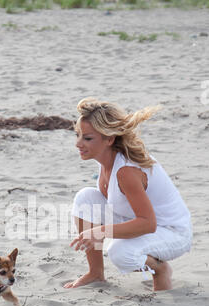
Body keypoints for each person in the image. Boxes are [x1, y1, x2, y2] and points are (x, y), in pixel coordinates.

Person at [64, 97, 192, 291]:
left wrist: (99, 231)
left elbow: (148, 223)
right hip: (140, 219)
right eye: (78, 135)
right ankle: (96, 272)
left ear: (109, 139)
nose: (78, 143)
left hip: (172, 232)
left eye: (87, 138)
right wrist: (98, 229)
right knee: (85, 198)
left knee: (121, 254)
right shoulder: (106, 160)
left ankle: (160, 269)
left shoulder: (127, 171)